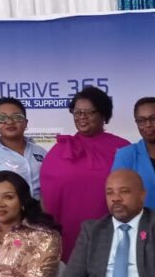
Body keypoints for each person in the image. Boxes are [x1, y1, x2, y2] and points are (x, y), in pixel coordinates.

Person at [40, 86, 131, 261]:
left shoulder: (123, 148)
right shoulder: (60, 149)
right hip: (69, 233)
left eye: (89, 112)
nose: (82, 117)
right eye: (77, 112)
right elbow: (46, 193)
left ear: (103, 115)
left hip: (112, 232)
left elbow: (134, 192)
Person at [0, 97, 48, 204]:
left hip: (39, 218)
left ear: (25, 123)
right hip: (4, 219)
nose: (10, 122)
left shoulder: (41, 152)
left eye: (16, 117)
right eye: (2, 118)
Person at [112, 96, 155, 212]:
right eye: (141, 120)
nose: (148, 124)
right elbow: (117, 197)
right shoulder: (126, 156)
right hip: (144, 227)